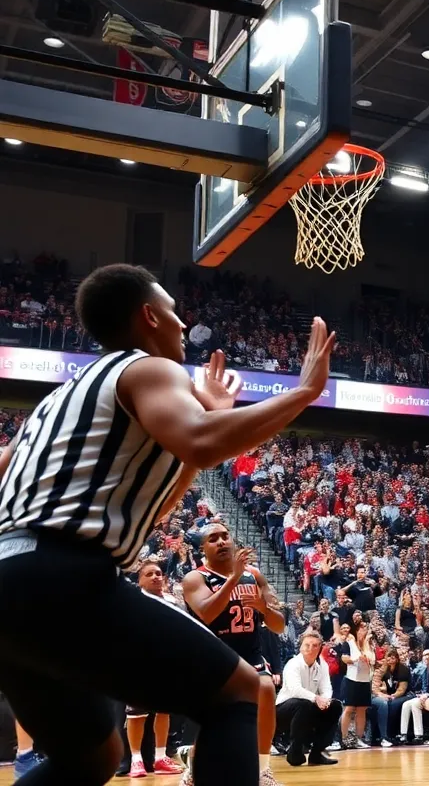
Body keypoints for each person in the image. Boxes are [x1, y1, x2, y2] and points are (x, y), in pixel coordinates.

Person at [0, 264, 334, 786]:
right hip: (62, 574)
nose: (184, 327)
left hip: (10, 582)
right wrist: (302, 393)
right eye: (176, 315)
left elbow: (155, 504)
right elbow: (200, 438)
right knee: (243, 693)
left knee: (88, 757)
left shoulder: (54, 404)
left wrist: (208, 419)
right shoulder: (147, 368)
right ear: (149, 316)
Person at [183, 523, 286, 786]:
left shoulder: (254, 575)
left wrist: (264, 608)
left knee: (265, 687)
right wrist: (233, 579)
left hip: (249, 656)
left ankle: (263, 770)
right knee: (214, 720)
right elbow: (207, 612)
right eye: (213, 539)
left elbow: (279, 624)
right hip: (212, 657)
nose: (221, 542)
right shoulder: (196, 578)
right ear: (202, 548)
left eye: (225, 537)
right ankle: (193, 766)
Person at [125, 560, 186, 778]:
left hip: (166, 664)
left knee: (163, 710)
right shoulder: (131, 602)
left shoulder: (172, 602)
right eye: (149, 574)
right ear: (140, 580)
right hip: (138, 664)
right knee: (136, 715)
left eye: (158, 573)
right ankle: (136, 760)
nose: (155, 577)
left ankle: (160, 757)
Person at [275, 632, 341, 767]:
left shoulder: (322, 665)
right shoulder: (293, 664)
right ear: (300, 647)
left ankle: (316, 754)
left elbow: (326, 688)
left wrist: (326, 701)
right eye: (307, 645)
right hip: (283, 711)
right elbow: (295, 690)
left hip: (308, 708)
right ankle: (295, 752)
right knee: (303, 704)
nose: (310, 648)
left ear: (320, 648)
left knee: (335, 706)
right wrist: (316, 698)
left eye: (315, 645)